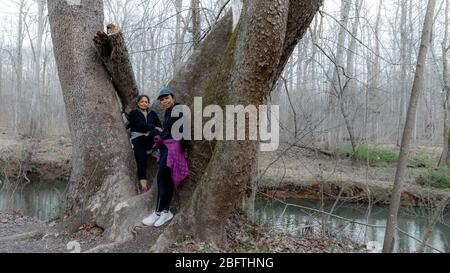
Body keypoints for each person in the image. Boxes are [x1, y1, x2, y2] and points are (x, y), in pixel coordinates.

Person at [142, 87, 189, 227]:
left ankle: (158, 212)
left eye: (166, 98)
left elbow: (184, 130)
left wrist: (185, 148)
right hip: (166, 147)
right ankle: (165, 212)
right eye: (162, 100)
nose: (165, 101)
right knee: (166, 181)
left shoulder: (179, 109)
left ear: (172, 97)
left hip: (173, 149)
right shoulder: (169, 111)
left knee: (162, 179)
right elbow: (168, 130)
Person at [129, 95, 162, 194]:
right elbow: (139, 125)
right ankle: (144, 187)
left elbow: (160, 127)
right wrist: (153, 127)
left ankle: (157, 149)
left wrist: (155, 128)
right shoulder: (134, 113)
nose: (144, 103)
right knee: (141, 160)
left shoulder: (153, 113)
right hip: (138, 139)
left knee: (156, 133)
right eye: (142, 101)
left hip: (150, 138)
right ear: (138, 103)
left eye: (146, 102)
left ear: (148, 104)